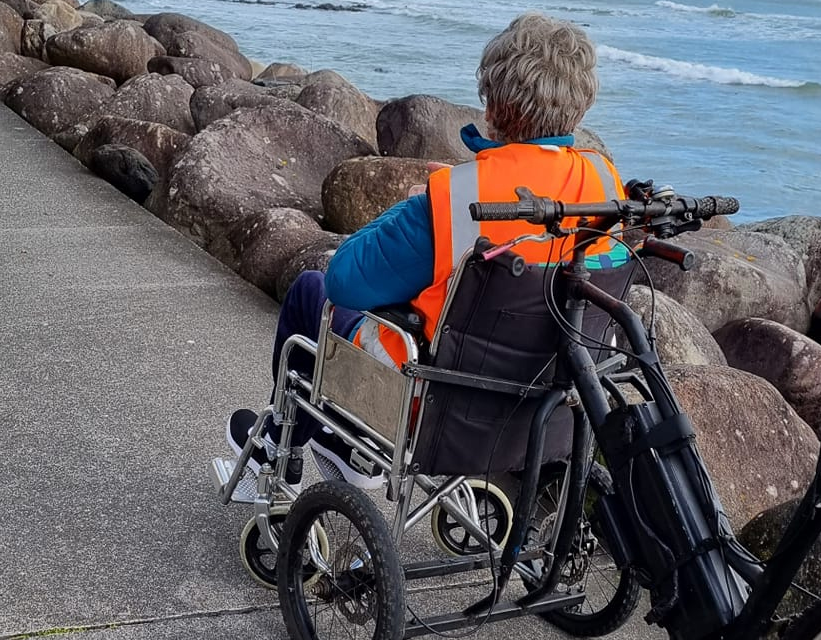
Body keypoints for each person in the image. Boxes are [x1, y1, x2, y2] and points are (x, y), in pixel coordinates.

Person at [227, 12, 631, 490]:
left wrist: (418, 205)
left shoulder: (462, 197)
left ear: (495, 103)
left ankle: (281, 444)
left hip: (431, 406)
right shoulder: (605, 184)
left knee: (311, 290)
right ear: (578, 109)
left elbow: (346, 280)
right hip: (541, 407)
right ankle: (347, 452)